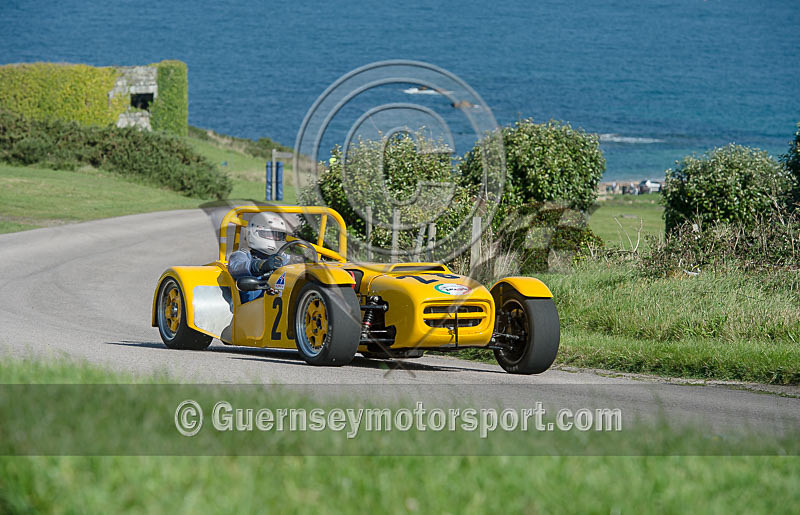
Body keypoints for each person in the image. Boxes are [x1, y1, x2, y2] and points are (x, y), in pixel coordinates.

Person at [229, 212, 289, 302]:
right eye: (268, 234)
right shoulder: (242, 255)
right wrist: (259, 265)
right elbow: (236, 267)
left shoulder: (285, 259)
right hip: (249, 310)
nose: (273, 239)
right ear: (252, 233)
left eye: (278, 236)